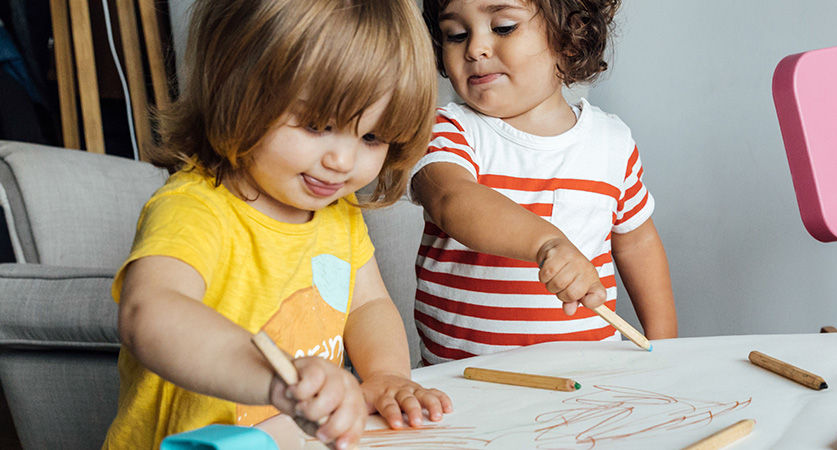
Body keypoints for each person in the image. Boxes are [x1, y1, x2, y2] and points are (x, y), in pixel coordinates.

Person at [106, 0, 451, 448]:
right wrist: (274, 379)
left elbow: (368, 306)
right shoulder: (194, 208)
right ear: (237, 89)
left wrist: (385, 376)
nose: (342, 161)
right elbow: (148, 314)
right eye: (315, 125)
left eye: (371, 136)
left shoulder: (338, 214)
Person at [412, 0, 678, 365]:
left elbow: (637, 244)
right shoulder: (447, 130)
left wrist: (668, 352)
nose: (474, 48)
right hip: (463, 383)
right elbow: (451, 200)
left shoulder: (612, 142)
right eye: (455, 35)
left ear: (570, 35)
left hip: (589, 376)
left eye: (503, 27)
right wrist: (546, 243)